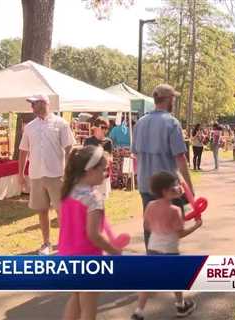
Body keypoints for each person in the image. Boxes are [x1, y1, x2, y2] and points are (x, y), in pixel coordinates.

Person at [132, 84, 196, 315]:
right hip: (168, 187)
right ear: (167, 99)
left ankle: (153, 275)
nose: (174, 102)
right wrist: (190, 189)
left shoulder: (140, 123)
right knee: (171, 231)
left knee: (152, 230)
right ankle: (175, 290)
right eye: (173, 98)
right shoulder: (171, 123)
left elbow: (136, 154)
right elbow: (180, 159)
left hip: (146, 185)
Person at [59, 145, 121, 320]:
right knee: (89, 306)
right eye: (103, 170)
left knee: (76, 297)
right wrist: (113, 250)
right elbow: (93, 234)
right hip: (87, 258)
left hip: (67, 256)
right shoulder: (94, 198)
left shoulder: (68, 191)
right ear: (89, 170)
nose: (105, 174)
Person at [131, 171, 201, 320]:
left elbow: (146, 225)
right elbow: (180, 233)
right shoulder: (174, 211)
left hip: (153, 247)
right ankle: (181, 306)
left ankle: (139, 311)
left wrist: (158, 230)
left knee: (149, 280)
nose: (177, 188)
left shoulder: (150, 205)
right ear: (165, 191)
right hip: (170, 249)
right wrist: (196, 226)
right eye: (173, 187)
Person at [18, 94, 75, 255]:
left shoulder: (61, 124)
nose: (31, 107)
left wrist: (71, 172)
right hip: (36, 175)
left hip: (57, 174)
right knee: (42, 210)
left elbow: (69, 149)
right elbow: (23, 151)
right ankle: (46, 243)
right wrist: (20, 174)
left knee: (61, 210)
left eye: (33, 104)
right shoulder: (29, 127)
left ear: (44, 103)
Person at [84, 117, 113, 198]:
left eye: (107, 128)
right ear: (96, 127)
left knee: (101, 202)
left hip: (103, 176)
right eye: (103, 127)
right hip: (90, 175)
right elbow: (85, 158)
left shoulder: (108, 142)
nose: (105, 130)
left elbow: (109, 158)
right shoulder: (88, 141)